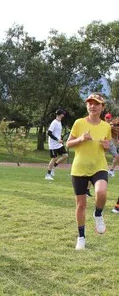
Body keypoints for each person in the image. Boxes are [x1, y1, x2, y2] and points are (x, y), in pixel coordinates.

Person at [66, 93, 111, 250]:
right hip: (79, 168)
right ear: (87, 106)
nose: (93, 106)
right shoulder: (79, 123)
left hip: (99, 166)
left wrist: (107, 147)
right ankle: (81, 237)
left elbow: (106, 148)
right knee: (81, 205)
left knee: (102, 192)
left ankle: (98, 214)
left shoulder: (106, 126)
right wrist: (80, 139)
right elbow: (68, 144)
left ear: (102, 107)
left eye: (96, 103)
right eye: (90, 103)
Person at [45, 109, 68, 180]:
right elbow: (49, 133)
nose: (64, 114)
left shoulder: (59, 122)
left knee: (65, 155)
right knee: (54, 158)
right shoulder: (54, 122)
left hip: (58, 144)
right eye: (63, 113)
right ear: (60, 114)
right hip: (53, 144)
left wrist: (60, 139)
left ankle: (53, 168)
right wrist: (57, 140)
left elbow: (57, 133)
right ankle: (48, 175)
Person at [104, 113, 119, 177]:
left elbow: (115, 130)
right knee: (102, 157)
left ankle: (111, 170)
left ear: (110, 118)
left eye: (108, 118)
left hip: (110, 142)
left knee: (116, 156)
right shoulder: (103, 124)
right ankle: (104, 169)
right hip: (103, 142)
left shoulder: (112, 125)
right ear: (105, 118)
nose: (107, 119)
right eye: (106, 117)